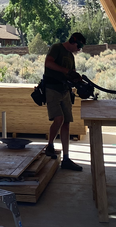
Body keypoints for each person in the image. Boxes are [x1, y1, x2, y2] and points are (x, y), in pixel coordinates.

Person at [42, 32, 86, 170]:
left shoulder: (71, 57)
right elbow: (48, 63)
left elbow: (71, 72)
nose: (79, 49)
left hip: (65, 90)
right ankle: (50, 145)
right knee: (59, 119)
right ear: (72, 41)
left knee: (66, 122)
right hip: (52, 89)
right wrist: (65, 71)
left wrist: (76, 79)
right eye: (78, 46)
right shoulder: (57, 48)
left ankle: (66, 158)